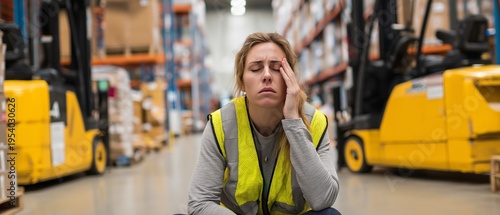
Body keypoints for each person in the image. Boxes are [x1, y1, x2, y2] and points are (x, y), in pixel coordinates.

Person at [188, 32, 341, 215]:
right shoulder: (221, 125)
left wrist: (293, 120)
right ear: (242, 82)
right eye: (255, 69)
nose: (267, 75)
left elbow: (323, 198)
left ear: (289, 79)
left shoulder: (314, 122)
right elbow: (200, 203)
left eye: (277, 68)